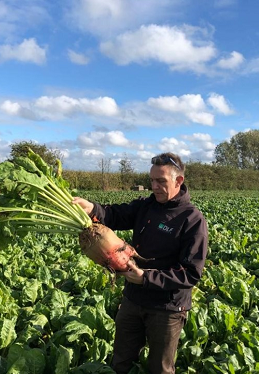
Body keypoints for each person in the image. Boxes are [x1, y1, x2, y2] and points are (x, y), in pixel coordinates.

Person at [73, 152, 208, 374]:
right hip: (133, 299)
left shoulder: (192, 219)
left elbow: (191, 273)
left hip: (167, 308)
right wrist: (93, 209)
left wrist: (147, 277)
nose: (154, 186)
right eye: (152, 180)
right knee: (120, 362)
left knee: (160, 369)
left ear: (179, 181)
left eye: (161, 181)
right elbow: (116, 215)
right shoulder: (146, 206)